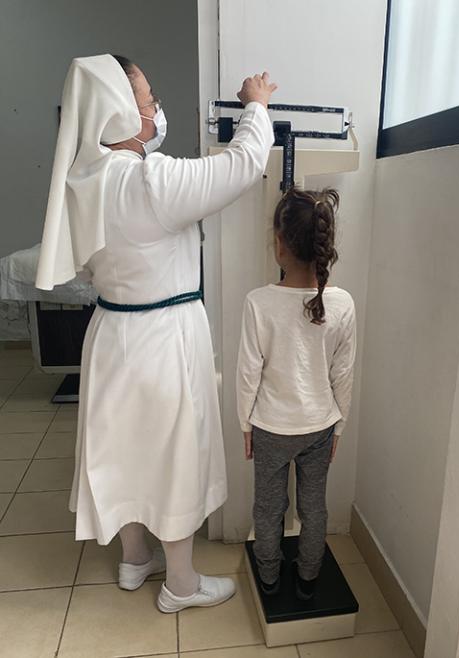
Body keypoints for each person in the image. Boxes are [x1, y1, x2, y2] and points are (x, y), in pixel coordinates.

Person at [35, 53, 277, 612]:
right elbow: (240, 166)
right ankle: (182, 585)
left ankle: (134, 558)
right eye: (147, 100)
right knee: (171, 455)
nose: (155, 109)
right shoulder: (151, 180)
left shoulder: (81, 181)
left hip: (111, 335)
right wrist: (256, 106)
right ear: (119, 111)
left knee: (125, 450)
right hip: (163, 337)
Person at [236, 186, 356, 599]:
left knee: (269, 507)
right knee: (314, 506)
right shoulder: (342, 303)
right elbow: (344, 373)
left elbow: (248, 372)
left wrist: (244, 423)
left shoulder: (258, 302)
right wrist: (339, 428)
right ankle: (308, 577)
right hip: (320, 427)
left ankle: (268, 578)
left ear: (280, 244)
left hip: (270, 427)